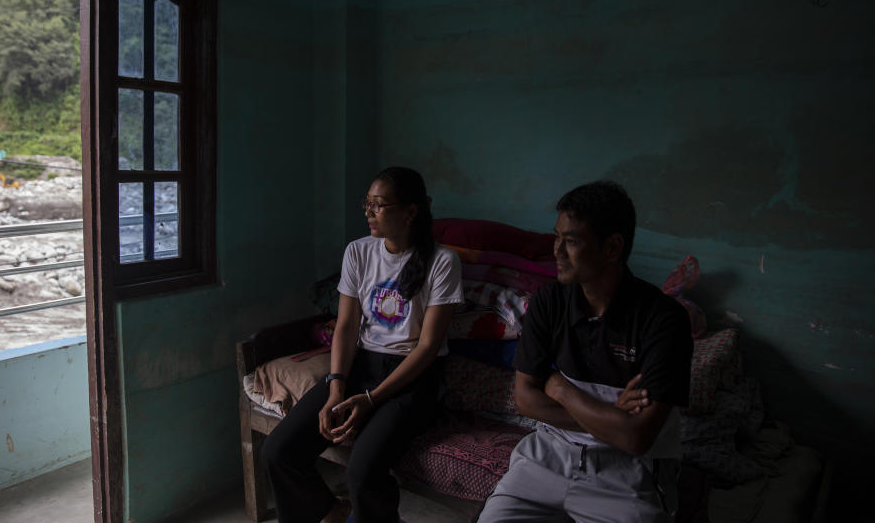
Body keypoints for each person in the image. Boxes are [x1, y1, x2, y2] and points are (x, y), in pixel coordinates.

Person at [477, 181, 693, 523]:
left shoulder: (663, 319)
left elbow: (635, 437)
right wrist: (611, 416)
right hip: (547, 455)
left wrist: (560, 388)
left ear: (612, 247)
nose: (557, 251)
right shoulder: (549, 302)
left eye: (572, 241)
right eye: (557, 237)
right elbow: (525, 400)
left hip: (626, 473)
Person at [262, 166, 464, 523]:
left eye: (379, 205)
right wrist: (336, 388)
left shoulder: (442, 261)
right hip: (360, 368)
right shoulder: (358, 251)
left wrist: (371, 400)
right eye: (366, 203)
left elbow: (428, 346)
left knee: (362, 471)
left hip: (411, 377)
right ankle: (328, 511)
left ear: (410, 211)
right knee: (279, 451)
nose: (368, 212)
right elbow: (346, 326)